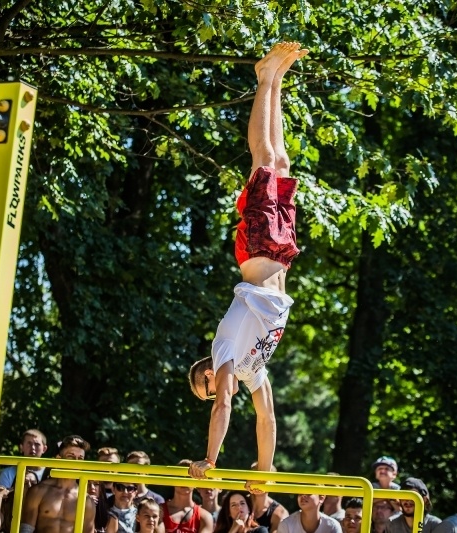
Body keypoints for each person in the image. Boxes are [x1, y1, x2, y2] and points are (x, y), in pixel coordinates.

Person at [186, 41, 309, 492]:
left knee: (262, 162)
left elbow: (226, 410)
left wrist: (209, 459)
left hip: (257, 250)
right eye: (210, 391)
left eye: (206, 385)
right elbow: (267, 417)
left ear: (206, 369)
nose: (214, 390)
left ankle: (264, 77)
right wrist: (264, 469)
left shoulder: (224, 355)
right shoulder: (251, 369)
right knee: (281, 163)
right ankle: (276, 77)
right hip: (280, 255)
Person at [20, 435, 94, 533]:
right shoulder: (39, 491)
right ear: (59, 459)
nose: (76, 463)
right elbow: (26, 529)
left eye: (80, 458)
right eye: (71, 457)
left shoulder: (86, 500)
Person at [161, 460, 214, 533]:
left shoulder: (205, 517)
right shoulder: (159, 511)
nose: (184, 480)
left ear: (196, 481)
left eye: (188, 477)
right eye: (181, 476)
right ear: (173, 479)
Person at [249, 463, 289, 533]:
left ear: (273, 483)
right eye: (256, 477)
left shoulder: (280, 513)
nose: (259, 482)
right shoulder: (238, 502)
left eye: (264, 479)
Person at [277, 493, 342, 533]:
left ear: (321, 498)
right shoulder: (286, 524)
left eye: (309, 492)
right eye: (300, 492)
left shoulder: (333, 526)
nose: (303, 495)